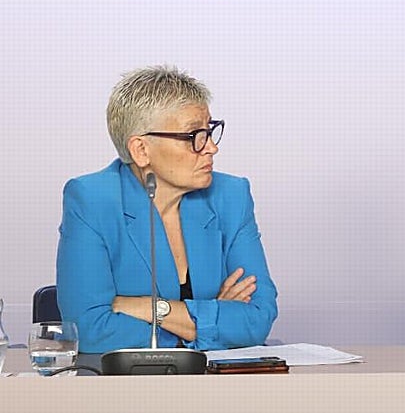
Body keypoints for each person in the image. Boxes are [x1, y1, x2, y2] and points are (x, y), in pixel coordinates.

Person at [56, 65, 278, 353]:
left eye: (209, 131)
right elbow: (89, 330)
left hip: (219, 390)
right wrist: (210, 320)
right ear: (141, 150)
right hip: (124, 390)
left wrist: (150, 308)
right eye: (193, 136)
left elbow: (258, 319)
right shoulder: (91, 200)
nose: (211, 147)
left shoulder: (231, 195)